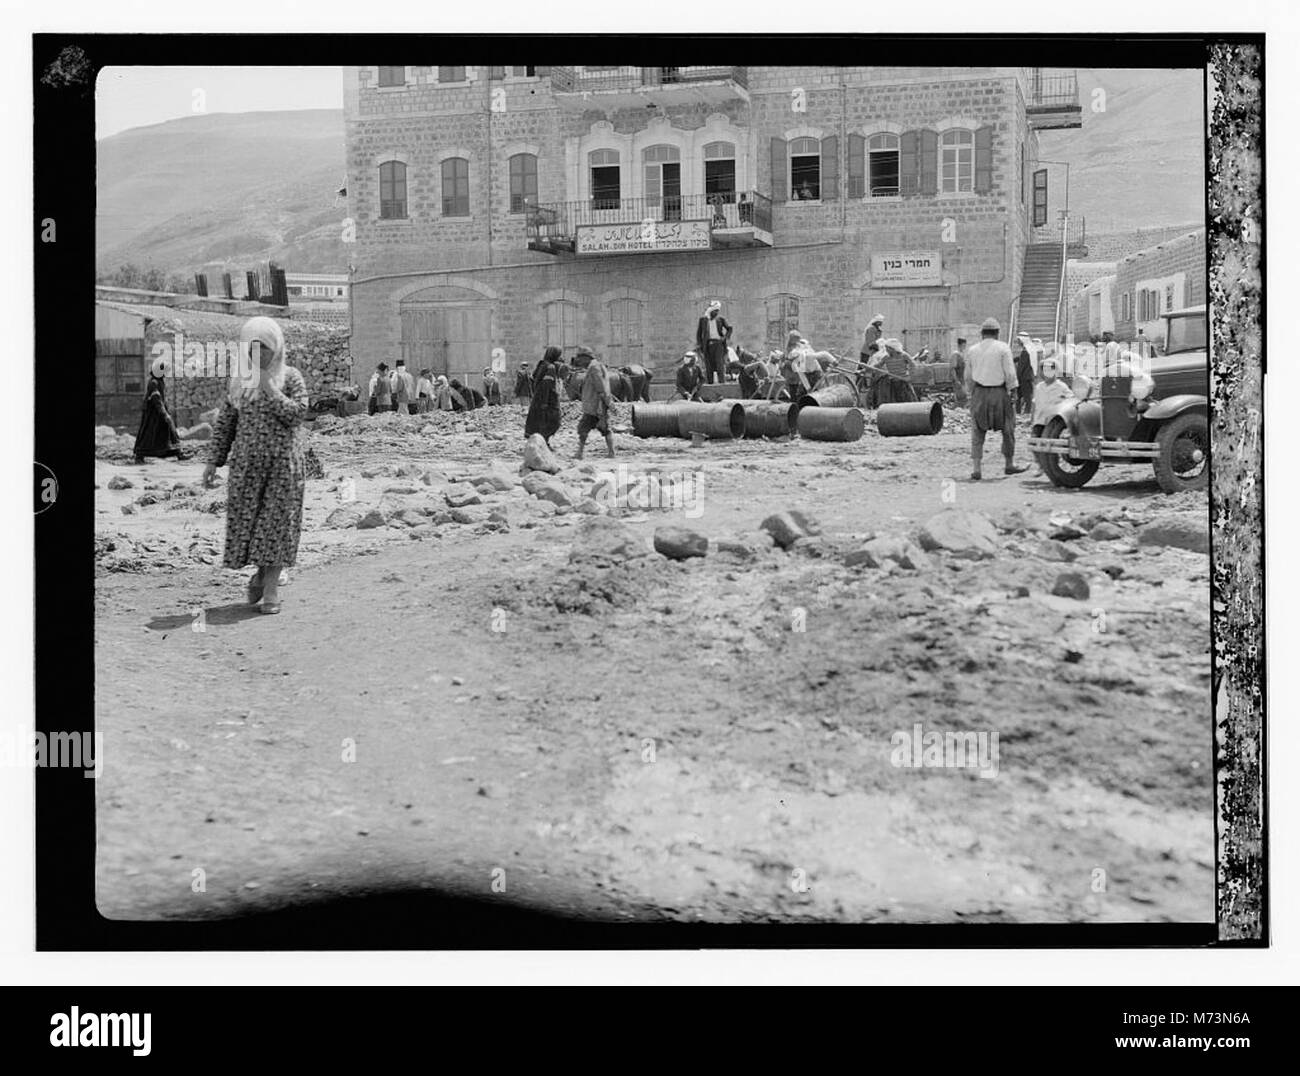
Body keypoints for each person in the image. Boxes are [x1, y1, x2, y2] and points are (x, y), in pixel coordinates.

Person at [201, 316, 307, 615]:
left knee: (275, 525)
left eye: (263, 348)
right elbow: (225, 425)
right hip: (246, 469)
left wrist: (270, 389)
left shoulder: (291, 378)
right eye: (251, 348)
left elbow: (297, 414)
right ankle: (261, 575)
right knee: (252, 526)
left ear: (276, 348)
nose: (256, 354)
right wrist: (213, 462)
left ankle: (271, 589)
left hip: (283, 468)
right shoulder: (239, 383)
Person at [964, 317, 1028, 480]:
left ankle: (977, 469)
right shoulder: (1003, 348)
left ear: (982, 334)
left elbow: (968, 376)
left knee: (977, 431)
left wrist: (972, 394)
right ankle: (1009, 464)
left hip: (979, 393)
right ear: (997, 333)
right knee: (1008, 429)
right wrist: (1013, 390)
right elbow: (1010, 373)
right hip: (1000, 393)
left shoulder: (972, 350)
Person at [132, 363, 187, 463]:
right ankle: (139, 455)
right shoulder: (154, 383)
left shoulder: (159, 381)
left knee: (168, 432)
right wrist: (164, 413)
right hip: (153, 414)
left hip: (159, 412)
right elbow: (156, 398)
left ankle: (179, 453)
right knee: (149, 434)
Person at [1029, 355, 1073, 476]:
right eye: (1045, 370)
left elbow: (1071, 400)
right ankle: (1040, 465)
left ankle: (1052, 466)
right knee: (1035, 442)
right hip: (1039, 420)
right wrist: (1031, 418)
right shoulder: (1039, 387)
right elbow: (1034, 403)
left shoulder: (1061, 387)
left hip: (1053, 421)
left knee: (1051, 444)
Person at [576, 350, 615, 460]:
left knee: (583, 428)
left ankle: (580, 453)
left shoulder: (594, 368)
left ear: (586, 357)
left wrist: (607, 402)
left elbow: (600, 387)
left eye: (580, 358)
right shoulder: (596, 366)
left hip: (594, 406)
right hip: (596, 405)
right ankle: (611, 452)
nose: (579, 361)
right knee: (605, 428)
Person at [524, 346, 563, 446]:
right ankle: (544, 442)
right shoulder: (550, 367)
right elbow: (546, 385)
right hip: (548, 399)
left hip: (538, 397)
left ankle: (541, 442)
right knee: (554, 421)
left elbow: (534, 379)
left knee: (540, 420)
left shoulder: (542, 364)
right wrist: (545, 401)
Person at [867, 339, 919, 404]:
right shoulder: (886, 357)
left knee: (907, 401)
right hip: (892, 382)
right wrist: (866, 369)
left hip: (903, 381)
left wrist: (910, 377)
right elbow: (877, 366)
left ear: (892, 348)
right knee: (894, 403)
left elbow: (913, 365)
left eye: (887, 348)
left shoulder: (904, 355)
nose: (886, 350)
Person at [695, 300, 733, 385]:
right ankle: (710, 384)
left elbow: (730, 328)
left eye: (718, 311)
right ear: (711, 310)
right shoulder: (703, 320)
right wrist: (699, 344)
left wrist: (725, 338)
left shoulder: (720, 319)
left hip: (718, 344)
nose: (716, 312)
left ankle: (722, 384)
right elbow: (699, 333)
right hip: (707, 345)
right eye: (715, 311)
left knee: (720, 365)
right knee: (709, 366)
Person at [1013, 335, 1035, 415]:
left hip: (1024, 377)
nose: (1018, 343)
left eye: (1019, 341)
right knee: (1023, 396)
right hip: (1025, 377)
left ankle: (1026, 412)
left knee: (1026, 397)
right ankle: (1021, 412)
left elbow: (1022, 366)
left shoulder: (1026, 351)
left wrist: (1017, 377)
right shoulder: (1027, 351)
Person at [950, 338, 968, 404]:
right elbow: (953, 368)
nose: (965, 347)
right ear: (960, 345)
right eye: (964, 345)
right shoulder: (955, 354)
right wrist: (956, 380)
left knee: (964, 398)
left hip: (962, 379)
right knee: (961, 399)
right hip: (958, 380)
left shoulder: (961, 354)